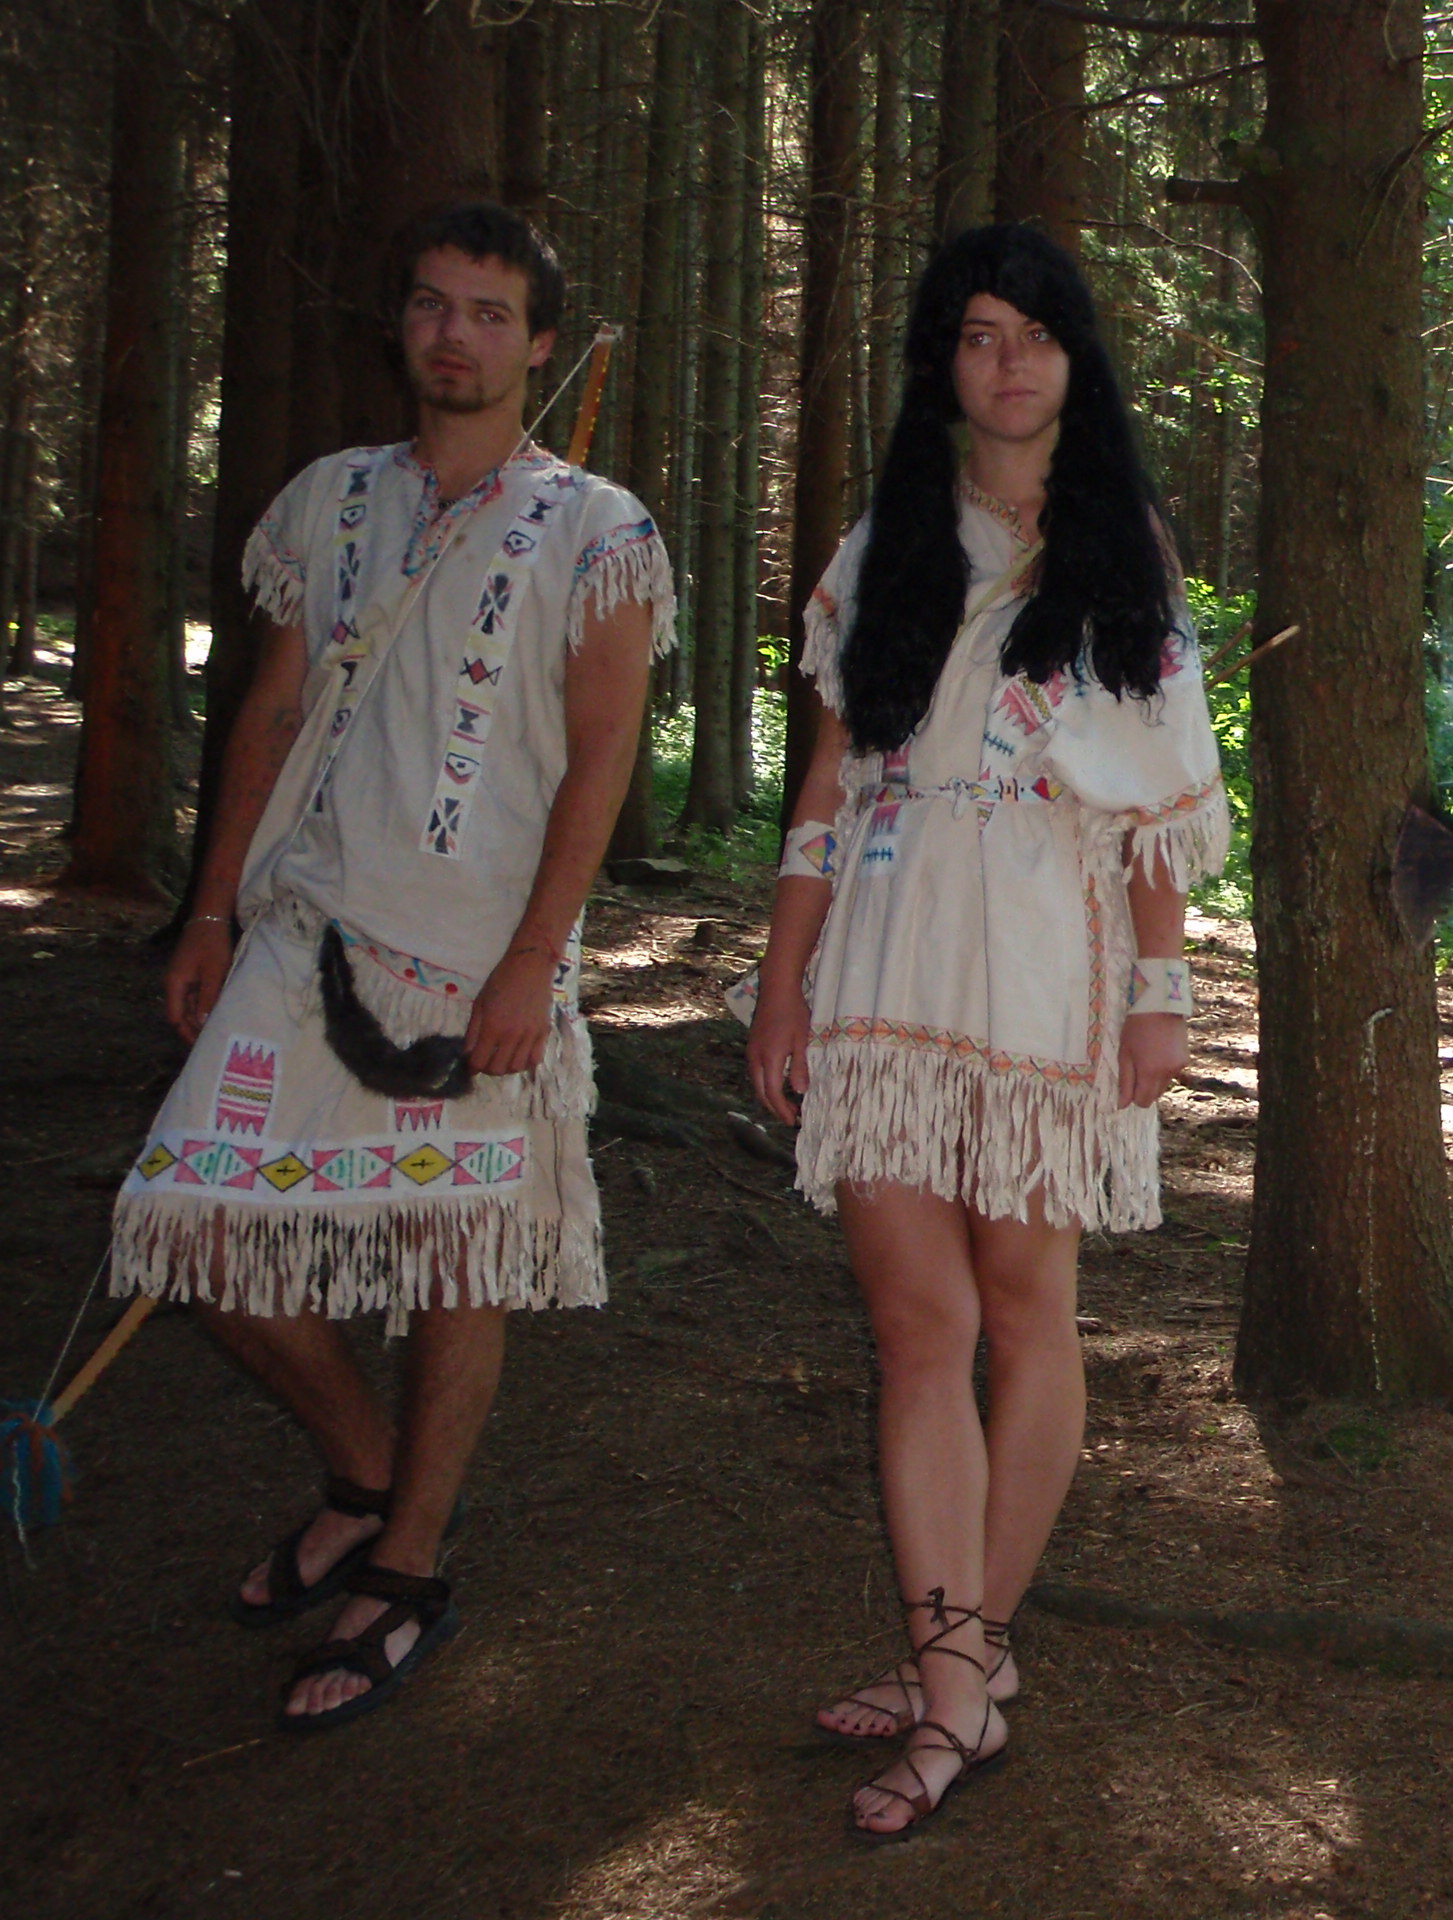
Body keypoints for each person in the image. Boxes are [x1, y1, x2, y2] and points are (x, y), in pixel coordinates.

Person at [112, 203, 670, 1731]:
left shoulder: (599, 531)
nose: (454, 336)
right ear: (400, 326)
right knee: (190, 1229)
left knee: (452, 1263)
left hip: (479, 956)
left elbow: (602, 756)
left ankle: (410, 1563)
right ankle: (364, 1474)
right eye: (431, 305)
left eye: (489, 313)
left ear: (538, 344)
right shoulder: (331, 501)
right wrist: (208, 911)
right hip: (300, 934)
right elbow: (272, 711)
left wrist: (534, 960)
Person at [747, 223, 1228, 1841]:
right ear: (940, 364)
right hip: (888, 960)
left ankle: (960, 1660)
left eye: (1035, 333)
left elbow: (1154, 804)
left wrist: (1160, 993)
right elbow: (828, 786)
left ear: (1076, 358)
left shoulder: (1121, 551)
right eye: (976, 334)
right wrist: (782, 980)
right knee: (916, 1328)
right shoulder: (890, 539)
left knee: (1027, 1314)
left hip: (1046, 962)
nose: (1007, 362)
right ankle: (959, 1678)